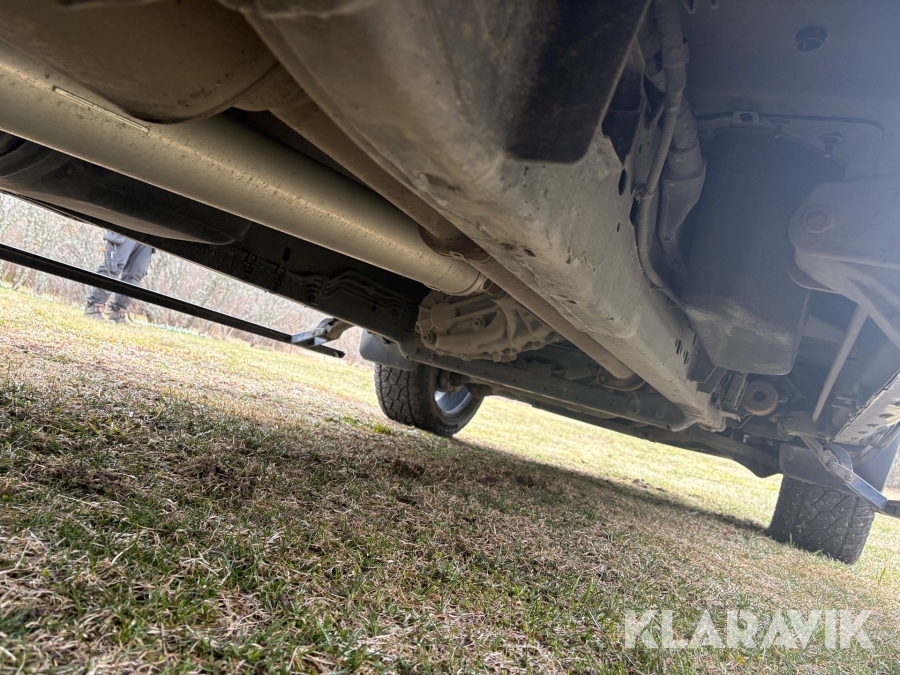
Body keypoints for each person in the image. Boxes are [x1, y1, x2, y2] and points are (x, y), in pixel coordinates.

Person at [84, 231, 154, 323]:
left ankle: (119, 314)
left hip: (152, 232)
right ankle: (94, 309)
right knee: (113, 266)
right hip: (129, 226)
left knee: (135, 275)